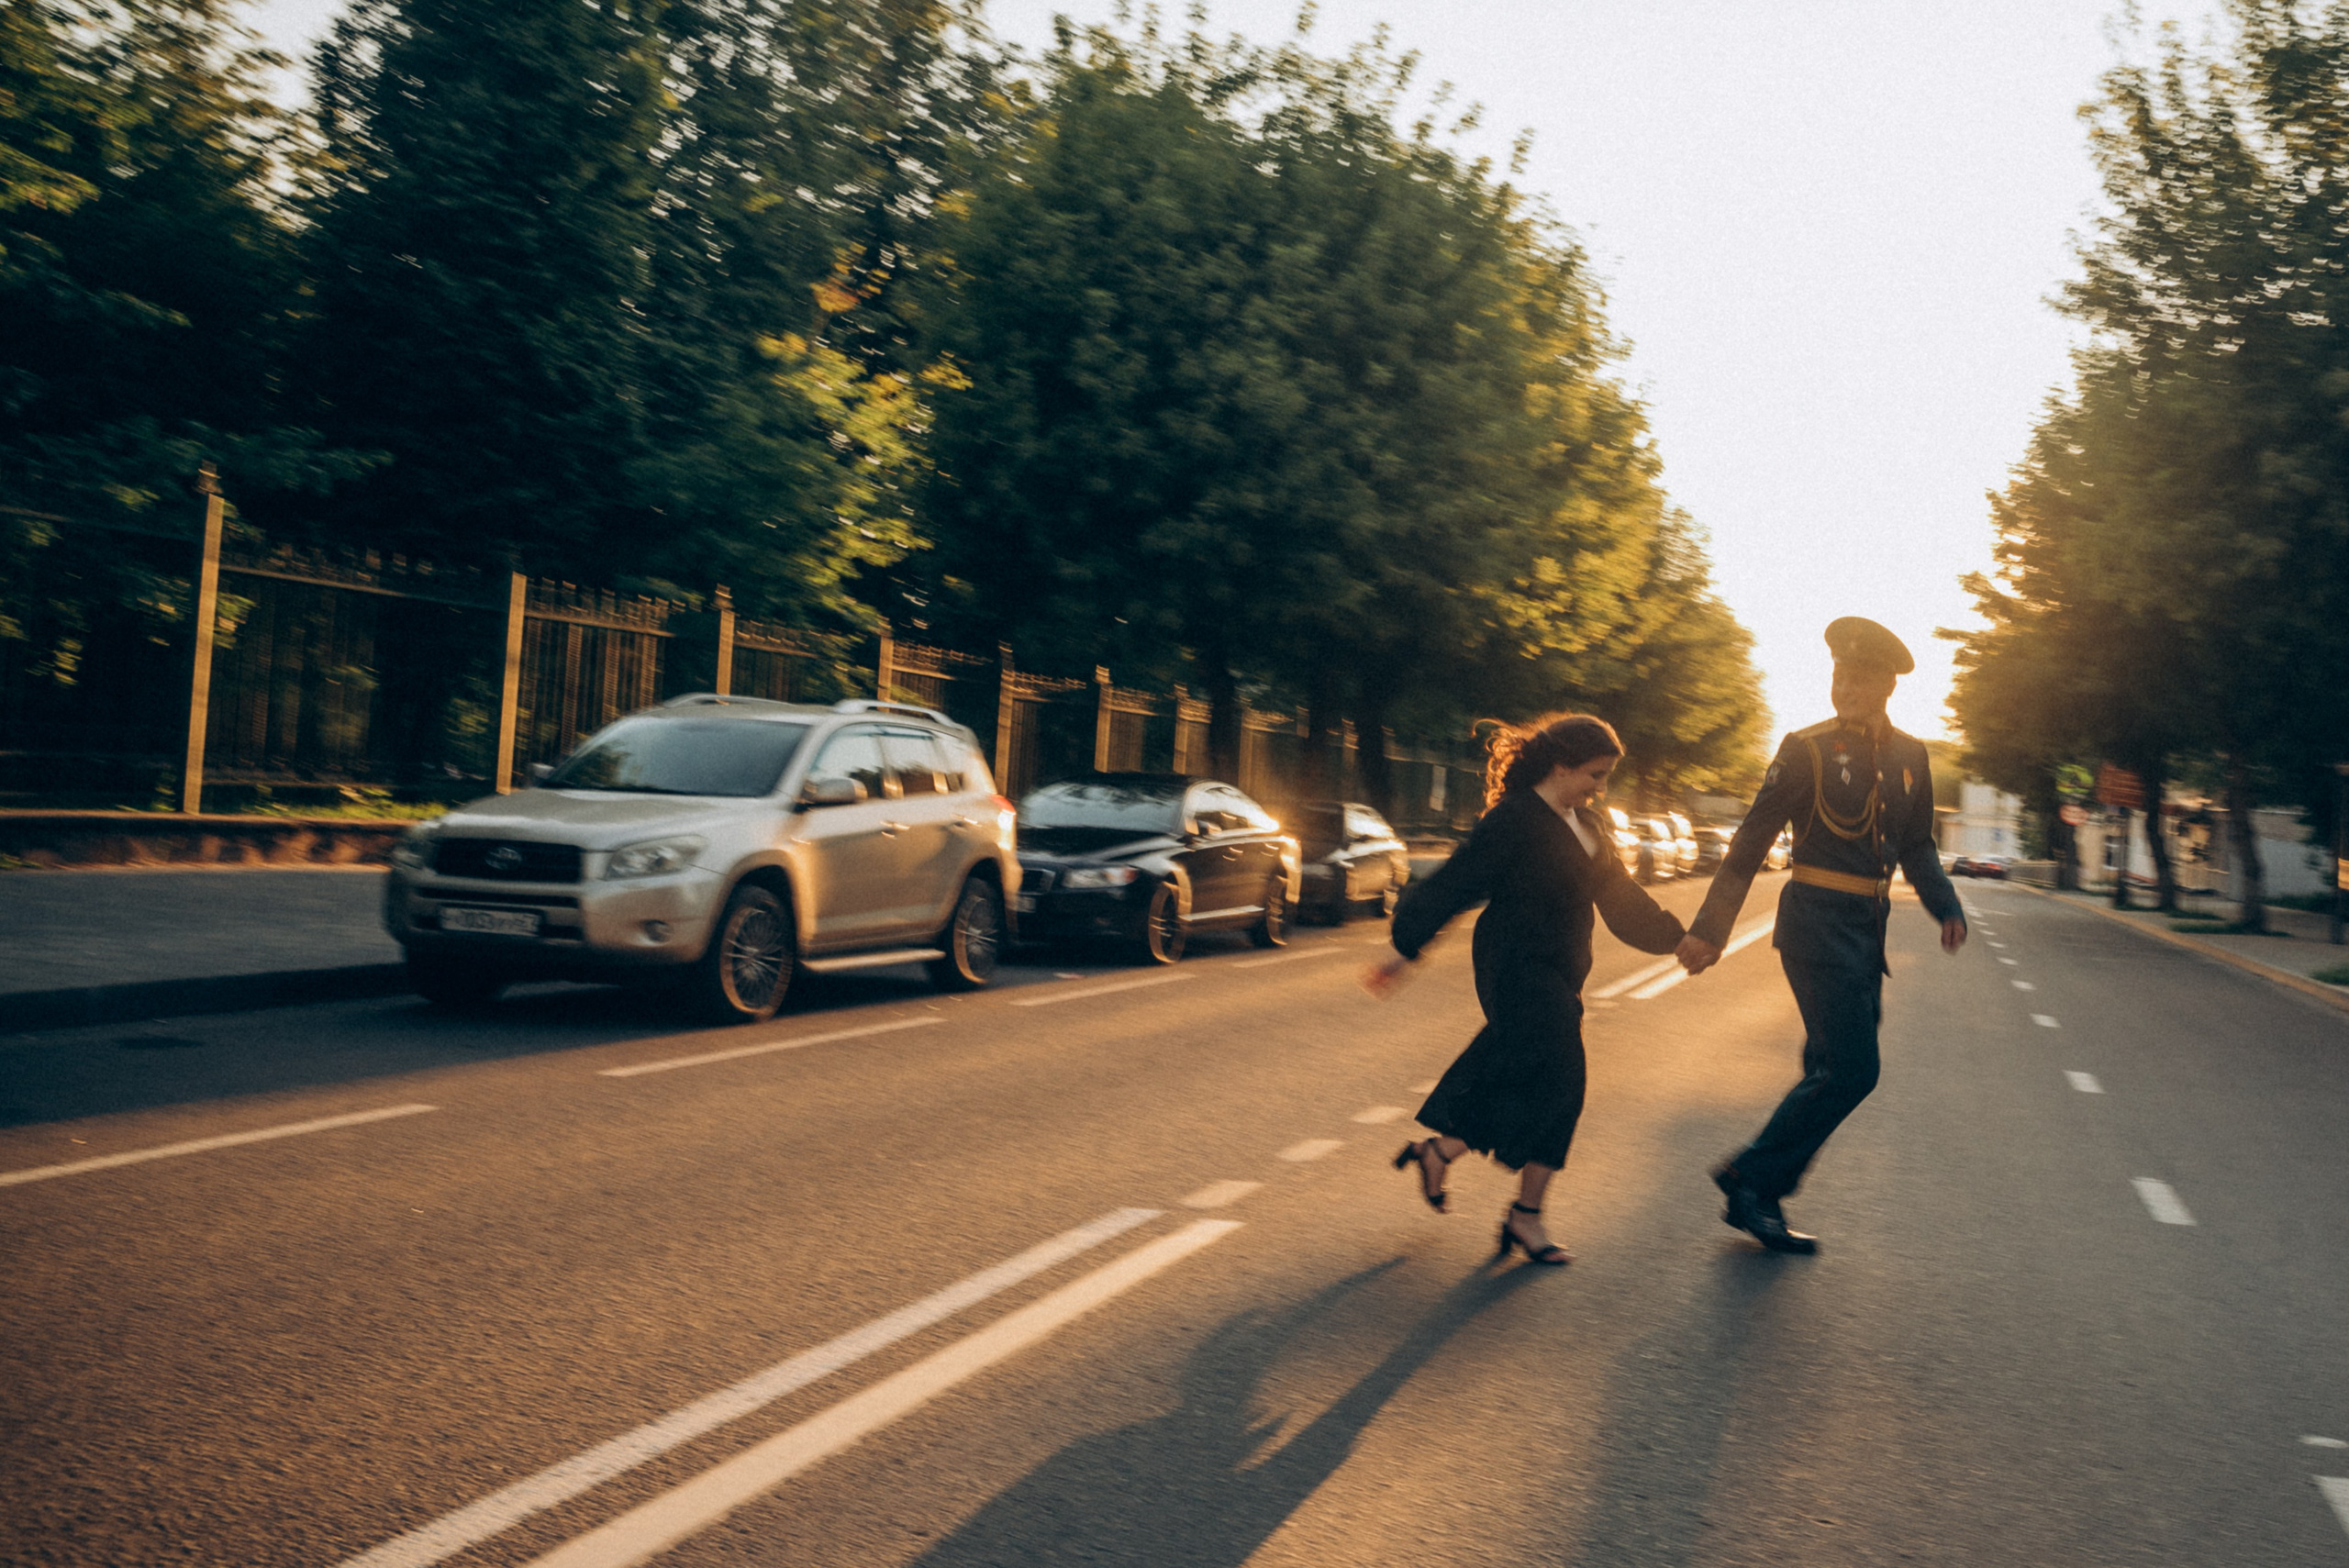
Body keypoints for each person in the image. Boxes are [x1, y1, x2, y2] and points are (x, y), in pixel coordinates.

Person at [1675, 617, 1966, 1252]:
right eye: (1839, 674)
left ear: (1887, 684)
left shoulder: (1911, 755)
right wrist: (1711, 929)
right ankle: (1747, 1175)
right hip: (1813, 924)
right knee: (1855, 1069)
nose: (1845, 687)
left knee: (1824, 1066)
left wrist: (1946, 904)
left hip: (1867, 931)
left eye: (1859, 677)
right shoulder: (1804, 748)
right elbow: (1751, 838)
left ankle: (1765, 1198)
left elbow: (1916, 844)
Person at [1364, 713, 1687, 1266]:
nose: (1599, 787)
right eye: (1594, 774)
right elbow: (1455, 884)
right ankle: (1524, 1214)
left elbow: (1620, 900)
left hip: (1563, 969)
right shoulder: (1514, 820)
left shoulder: (1590, 826)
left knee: (1542, 1082)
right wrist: (1405, 947)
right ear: (1561, 766)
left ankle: (1445, 1154)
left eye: (1605, 777)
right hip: (1513, 967)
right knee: (1565, 1080)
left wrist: (1679, 940)